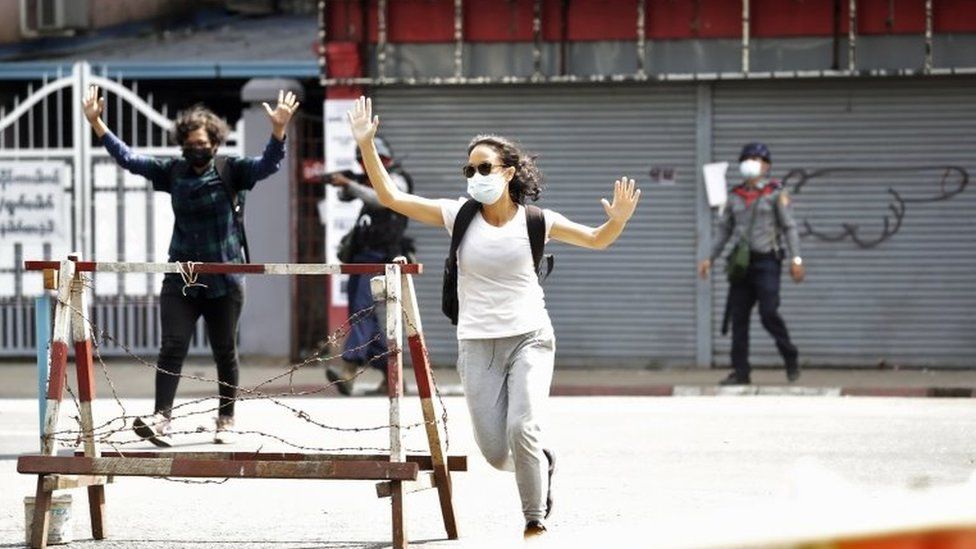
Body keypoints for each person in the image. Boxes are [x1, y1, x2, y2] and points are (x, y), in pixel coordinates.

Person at [346, 96, 641, 539]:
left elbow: (598, 239)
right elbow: (390, 196)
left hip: (530, 338)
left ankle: (533, 520)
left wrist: (617, 220)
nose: (475, 177)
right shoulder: (457, 215)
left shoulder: (537, 221)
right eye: (469, 170)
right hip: (477, 343)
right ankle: (541, 460)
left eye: (484, 168)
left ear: (507, 172)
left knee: (524, 426)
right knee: (497, 453)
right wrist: (367, 145)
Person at [81, 85, 299, 445]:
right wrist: (97, 124)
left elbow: (268, 165)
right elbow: (130, 160)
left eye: (202, 142)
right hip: (181, 277)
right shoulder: (174, 172)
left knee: (224, 351)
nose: (196, 148)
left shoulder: (232, 170)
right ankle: (160, 418)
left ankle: (226, 418)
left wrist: (278, 132)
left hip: (225, 281)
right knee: (172, 346)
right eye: (190, 142)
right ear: (183, 143)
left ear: (214, 142)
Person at [698, 142, 805, 386]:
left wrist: (796, 259)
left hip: (768, 261)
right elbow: (724, 232)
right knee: (739, 319)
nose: (751, 163)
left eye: (757, 159)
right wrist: (709, 258)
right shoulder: (735, 196)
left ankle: (790, 355)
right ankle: (741, 371)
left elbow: (789, 227)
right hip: (742, 265)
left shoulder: (776, 193)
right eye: (748, 158)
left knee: (769, 313)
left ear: (767, 165)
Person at [325, 136, 415, 396]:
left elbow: (383, 199)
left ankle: (348, 371)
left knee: (362, 313)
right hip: (360, 257)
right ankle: (392, 377)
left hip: (381, 257)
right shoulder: (366, 179)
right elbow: (346, 198)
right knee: (363, 317)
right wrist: (343, 184)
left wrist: (350, 184)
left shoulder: (397, 179)